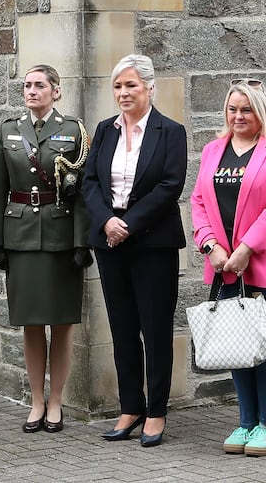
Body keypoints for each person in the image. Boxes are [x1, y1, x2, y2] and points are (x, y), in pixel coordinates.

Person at [82, 54, 187, 447]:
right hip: (109, 242)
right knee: (122, 327)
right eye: (118, 86)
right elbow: (90, 181)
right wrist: (108, 221)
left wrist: (127, 224)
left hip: (152, 243)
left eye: (131, 85)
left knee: (155, 329)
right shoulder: (105, 130)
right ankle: (131, 407)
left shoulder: (170, 131)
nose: (123, 93)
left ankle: (156, 412)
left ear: (150, 88)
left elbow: (169, 185)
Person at [190, 79, 266, 457]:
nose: (238, 116)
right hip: (223, 264)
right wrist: (210, 246)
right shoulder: (212, 150)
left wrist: (247, 248)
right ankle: (247, 420)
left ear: (260, 112)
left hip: (265, 261)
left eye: (246, 109)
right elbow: (199, 202)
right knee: (237, 343)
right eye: (233, 109)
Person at [0, 64, 93, 433]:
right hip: (20, 236)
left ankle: (57, 403)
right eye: (27, 85)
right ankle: (36, 401)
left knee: (62, 324)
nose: (32, 91)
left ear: (56, 91)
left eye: (40, 85)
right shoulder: (8, 131)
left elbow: (81, 192)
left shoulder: (73, 130)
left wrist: (83, 240)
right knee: (31, 323)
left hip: (62, 236)